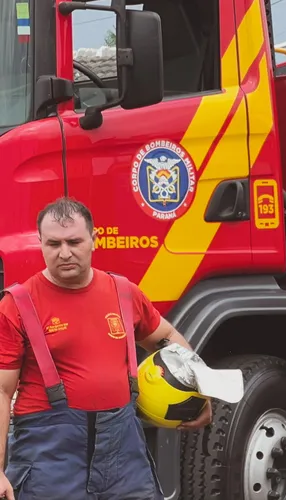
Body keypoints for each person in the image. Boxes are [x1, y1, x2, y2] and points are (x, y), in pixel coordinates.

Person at [0, 197, 212, 500]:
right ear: (40, 243)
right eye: (53, 244)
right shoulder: (17, 305)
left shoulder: (124, 293)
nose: (64, 253)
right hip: (50, 457)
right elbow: (2, 391)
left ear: (94, 239)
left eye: (74, 241)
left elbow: (166, 337)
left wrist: (198, 392)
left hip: (124, 451)